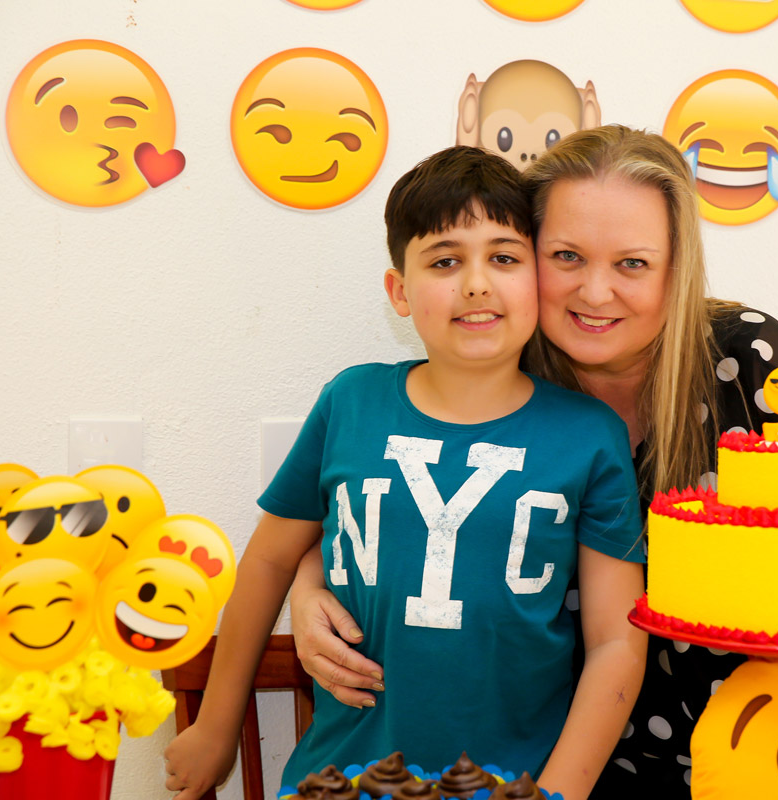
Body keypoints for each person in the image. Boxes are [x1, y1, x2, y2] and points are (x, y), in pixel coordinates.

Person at [288, 127, 778, 800]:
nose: (596, 292)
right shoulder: (503, 382)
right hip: (601, 776)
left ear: (674, 271)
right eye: (567, 256)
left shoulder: (755, 367)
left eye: (632, 264)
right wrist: (310, 582)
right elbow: (414, 516)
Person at [161, 146, 647, 800]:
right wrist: (217, 726)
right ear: (399, 291)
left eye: (504, 258)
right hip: (339, 778)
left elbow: (616, 640)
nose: (476, 283)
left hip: (516, 782)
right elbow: (271, 560)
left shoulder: (589, 435)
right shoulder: (350, 403)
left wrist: (554, 795)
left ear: (537, 278)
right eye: (445, 261)